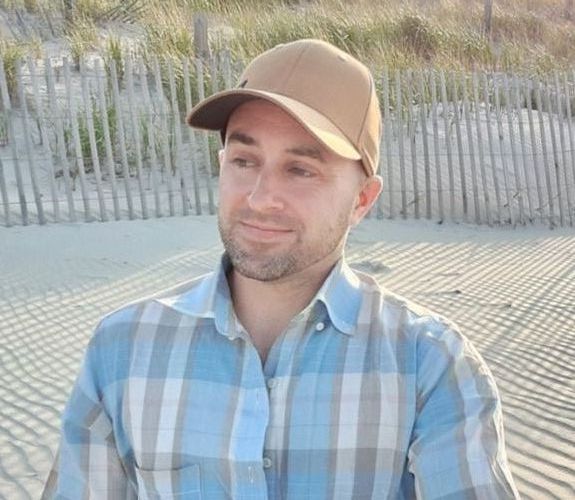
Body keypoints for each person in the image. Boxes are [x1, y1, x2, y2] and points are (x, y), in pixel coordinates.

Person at [43, 39, 519, 499]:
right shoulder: (124, 350)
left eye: (300, 169)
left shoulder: (429, 364)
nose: (260, 197)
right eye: (244, 160)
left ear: (362, 199)